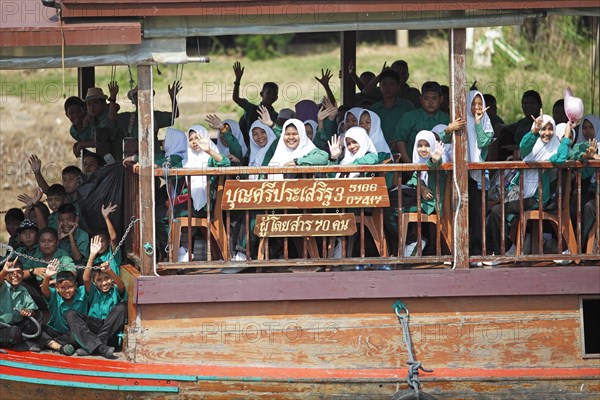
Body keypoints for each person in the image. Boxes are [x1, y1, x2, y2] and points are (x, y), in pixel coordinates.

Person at [486, 114, 572, 262]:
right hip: (520, 192)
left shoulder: (554, 149)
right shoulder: (532, 147)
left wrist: (565, 138)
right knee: (491, 212)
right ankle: (504, 249)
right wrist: (533, 132)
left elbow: (560, 159)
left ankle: (504, 251)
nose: (546, 133)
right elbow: (523, 146)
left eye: (550, 129)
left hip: (537, 198)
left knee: (497, 211)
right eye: (543, 129)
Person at [65, 235, 126, 358]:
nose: (104, 283)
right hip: (94, 328)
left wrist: (110, 271)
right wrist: (92, 255)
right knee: (70, 314)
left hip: (110, 332)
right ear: (95, 282)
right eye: (99, 280)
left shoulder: (114, 290)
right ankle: (101, 347)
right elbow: (86, 278)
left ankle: (94, 346)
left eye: (106, 279)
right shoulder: (94, 291)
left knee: (122, 307)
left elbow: (121, 286)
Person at [403, 130, 446, 256]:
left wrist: (434, 159)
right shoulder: (418, 162)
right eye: (419, 145)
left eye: (427, 145)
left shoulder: (438, 158)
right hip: (422, 201)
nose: (423, 149)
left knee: (397, 210)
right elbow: (413, 180)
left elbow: (433, 164)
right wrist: (421, 188)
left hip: (433, 202)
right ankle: (413, 243)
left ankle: (414, 243)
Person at [397, 82, 464, 164]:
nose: (430, 102)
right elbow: (400, 140)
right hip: (414, 164)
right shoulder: (409, 117)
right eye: (426, 98)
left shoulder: (447, 119)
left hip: (441, 167)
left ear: (441, 99)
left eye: (434, 98)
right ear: (420, 99)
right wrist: (409, 163)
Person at [108, 80, 181, 152]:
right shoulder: (128, 117)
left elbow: (175, 115)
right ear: (134, 101)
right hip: (133, 159)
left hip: (154, 157)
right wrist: (112, 97)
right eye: (139, 97)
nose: (142, 100)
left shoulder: (155, 116)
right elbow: (112, 117)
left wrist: (173, 97)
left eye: (145, 97)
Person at [0, 257, 43, 352]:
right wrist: (4, 271)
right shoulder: (3, 285)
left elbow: (32, 310)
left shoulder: (22, 290)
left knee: (38, 315)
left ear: (23, 275)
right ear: (5, 276)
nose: (15, 275)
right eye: (11, 273)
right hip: (2, 327)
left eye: (19, 272)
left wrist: (29, 312)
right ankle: (19, 343)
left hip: (12, 326)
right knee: (15, 332)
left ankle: (17, 342)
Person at [40, 265, 85, 356]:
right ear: (57, 287)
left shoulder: (82, 292)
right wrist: (47, 277)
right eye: (62, 288)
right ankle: (59, 346)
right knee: (38, 330)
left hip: (75, 333)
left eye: (70, 287)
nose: (67, 291)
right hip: (56, 330)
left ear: (76, 285)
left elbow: (87, 281)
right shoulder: (54, 295)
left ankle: (52, 344)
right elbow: (44, 290)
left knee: (76, 337)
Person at [233, 61, 278, 147]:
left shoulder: (276, 116)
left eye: (274, 94)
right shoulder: (251, 109)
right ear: (261, 94)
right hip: (250, 148)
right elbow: (236, 98)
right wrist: (237, 80)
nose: (271, 96)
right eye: (268, 93)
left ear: (276, 98)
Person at [369, 69, 415, 152]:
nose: (388, 88)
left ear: (398, 86)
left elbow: (413, 131)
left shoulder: (407, 107)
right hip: (379, 153)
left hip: (404, 153)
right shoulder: (373, 109)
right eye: (384, 84)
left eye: (392, 84)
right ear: (380, 86)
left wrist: (400, 143)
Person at [497, 90, 542, 161]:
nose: (528, 106)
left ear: (540, 105)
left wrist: (518, 147)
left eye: (532, 103)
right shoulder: (521, 123)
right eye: (525, 103)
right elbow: (506, 127)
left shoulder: (545, 122)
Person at [90, 203, 122, 276]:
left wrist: (106, 218)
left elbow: (113, 238)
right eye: (96, 242)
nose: (99, 245)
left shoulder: (113, 256)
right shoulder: (93, 260)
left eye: (102, 241)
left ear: (108, 242)